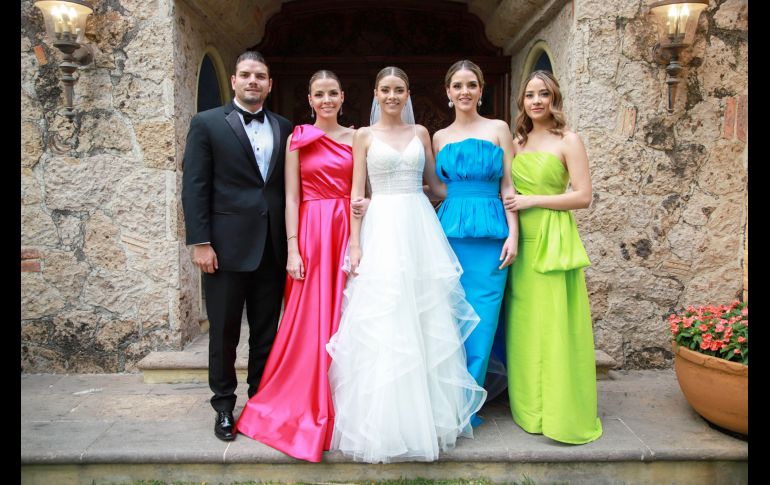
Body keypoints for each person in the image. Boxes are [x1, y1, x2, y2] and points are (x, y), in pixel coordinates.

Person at [325, 66, 487, 464]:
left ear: (408, 93)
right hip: (381, 228)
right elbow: (356, 192)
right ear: (376, 94)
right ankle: (384, 423)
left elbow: (434, 184)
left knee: (424, 317)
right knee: (385, 319)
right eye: (386, 90)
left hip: (418, 228)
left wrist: (479, 194)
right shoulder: (364, 136)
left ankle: (427, 419)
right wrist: (356, 244)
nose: (393, 96)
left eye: (399, 89)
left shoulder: (421, 135)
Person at [236, 70, 356, 462]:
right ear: (309, 98)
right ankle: (303, 396)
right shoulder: (297, 139)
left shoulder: (358, 138)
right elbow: (291, 198)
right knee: (310, 318)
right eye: (319, 94)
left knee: (349, 313)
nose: (326, 100)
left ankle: (349, 401)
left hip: (348, 229)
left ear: (342, 97)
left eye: (332, 93)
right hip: (310, 233)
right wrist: (293, 248)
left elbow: (366, 190)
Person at [181, 50, 293, 442]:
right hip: (224, 251)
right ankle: (224, 406)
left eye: (260, 76)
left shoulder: (285, 126)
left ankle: (260, 401)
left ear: (269, 83)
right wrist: (200, 242)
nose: (252, 81)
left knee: (266, 332)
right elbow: (195, 186)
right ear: (233, 80)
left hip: (272, 249)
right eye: (245, 74)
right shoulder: (207, 123)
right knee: (224, 332)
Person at [501, 70, 602, 444]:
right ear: (522, 102)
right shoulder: (518, 141)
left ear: (554, 98)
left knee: (556, 323)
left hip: (552, 236)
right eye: (530, 95)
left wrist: (534, 200)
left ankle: (561, 409)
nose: (537, 101)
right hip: (520, 240)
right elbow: (506, 189)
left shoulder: (568, 140)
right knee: (525, 324)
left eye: (544, 94)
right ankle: (530, 408)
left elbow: (583, 196)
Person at [430, 60, 518, 423]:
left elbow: (509, 186)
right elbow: (438, 188)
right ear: (448, 93)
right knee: (451, 317)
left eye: (471, 85)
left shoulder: (499, 128)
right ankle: (448, 397)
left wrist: (514, 233)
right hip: (450, 234)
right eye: (457, 86)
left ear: (481, 90)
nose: (464, 91)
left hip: (493, 233)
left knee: (482, 320)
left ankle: (467, 405)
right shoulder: (439, 137)